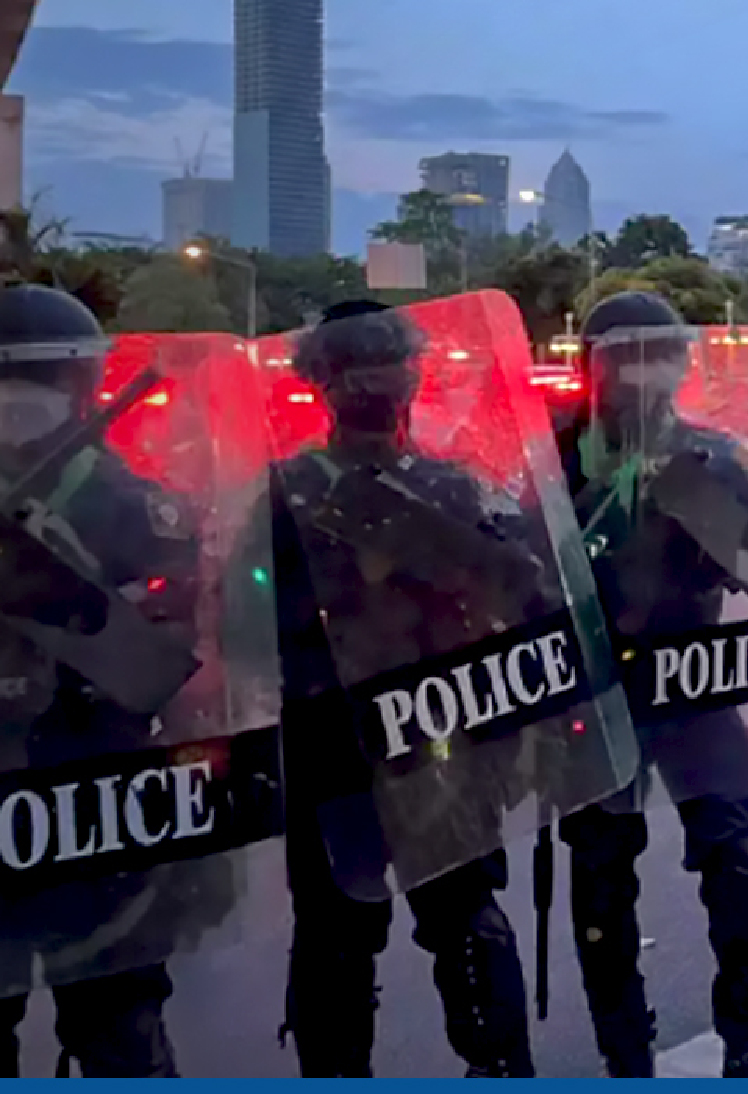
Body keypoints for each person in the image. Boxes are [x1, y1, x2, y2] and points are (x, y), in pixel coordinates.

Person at [267, 297, 632, 1077]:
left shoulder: (455, 490)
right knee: (338, 944)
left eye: (385, 362)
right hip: (336, 755)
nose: (374, 382)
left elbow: (532, 599)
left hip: (444, 744)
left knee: (466, 926)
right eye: (354, 366)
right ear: (322, 383)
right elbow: (246, 628)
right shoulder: (284, 495)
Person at [0, 286, 279, 1076]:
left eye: (44, 380)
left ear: (85, 388)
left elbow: (184, 673)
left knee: (121, 1031)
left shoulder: (139, 511)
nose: (20, 400)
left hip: (101, 808)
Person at [553, 291, 748, 1078]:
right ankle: (625, 1050)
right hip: (593, 693)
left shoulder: (713, 457)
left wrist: (691, 493)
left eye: (659, 353)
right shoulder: (552, 459)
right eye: (624, 355)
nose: (642, 373)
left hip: (691, 683)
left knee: (737, 858)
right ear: (591, 364)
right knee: (599, 879)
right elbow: (510, 582)